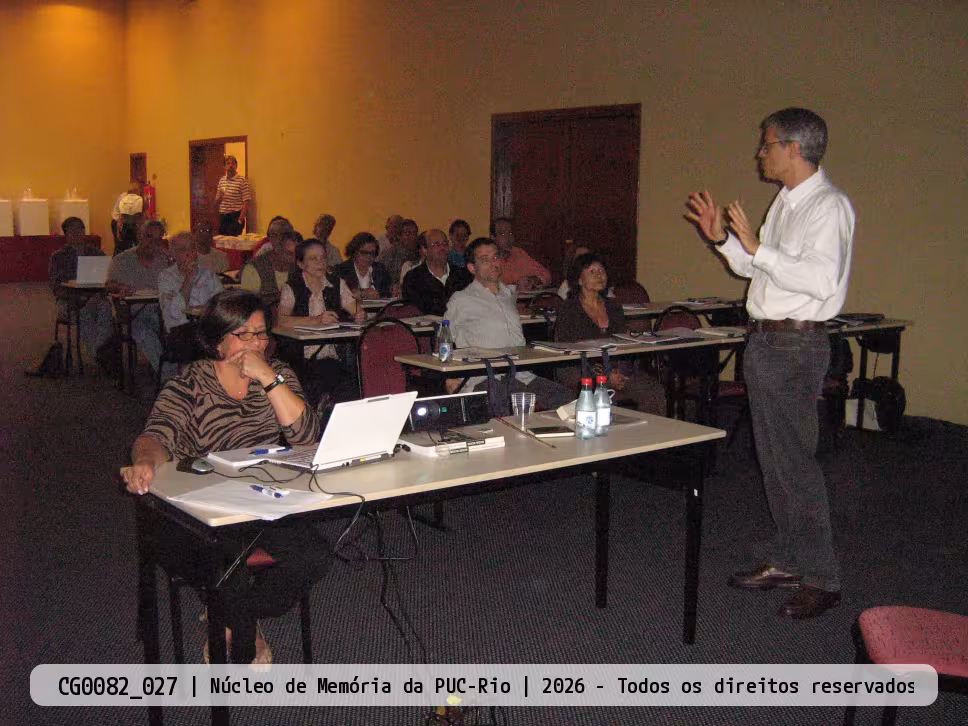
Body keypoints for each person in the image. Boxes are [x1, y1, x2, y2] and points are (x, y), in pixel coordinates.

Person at [685, 107, 854, 619]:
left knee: (794, 463)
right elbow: (758, 269)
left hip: (794, 345)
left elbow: (820, 280)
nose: (760, 153)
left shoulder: (828, 206)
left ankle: (822, 577)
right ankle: (788, 557)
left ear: (793, 149)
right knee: (774, 460)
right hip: (768, 341)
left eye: (767, 144)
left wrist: (759, 248)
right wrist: (723, 240)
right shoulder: (786, 201)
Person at [122, 290, 329, 664]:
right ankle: (241, 630)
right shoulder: (190, 383)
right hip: (207, 505)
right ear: (218, 341)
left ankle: (232, 612)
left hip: (264, 498)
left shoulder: (278, 374)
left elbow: (308, 438)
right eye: (243, 334)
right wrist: (145, 462)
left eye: (261, 333)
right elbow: (154, 437)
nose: (255, 343)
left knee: (314, 557)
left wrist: (268, 378)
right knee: (228, 563)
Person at [444, 237, 572, 414]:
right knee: (502, 404)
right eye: (485, 259)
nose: (494, 263)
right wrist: (451, 377)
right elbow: (444, 339)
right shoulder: (461, 299)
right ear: (472, 268)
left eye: (496, 257)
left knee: (568, 400)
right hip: (485, 377)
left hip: (520, 375)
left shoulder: (508, 294)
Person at [554, 253, 665, 413]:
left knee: (653, 391)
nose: (599, 275)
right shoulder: (569, 309)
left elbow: (623, 343)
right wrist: (605, 374)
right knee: (588, 384)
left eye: (601, 271)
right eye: (592, 272)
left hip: (615, 365)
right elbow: (571, 350)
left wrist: (619, 371)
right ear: (579, 279)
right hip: (581, 367)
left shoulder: (613, 307)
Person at [277, 238, 364, 409]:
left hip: (334, 357)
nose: (320, 262)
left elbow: (355, 308)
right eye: (313, 258)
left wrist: (360, 314)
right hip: (300, 358)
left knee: (352, 382)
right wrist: (315, 320)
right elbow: (281, 320)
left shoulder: (336, 283)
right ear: (300, 264)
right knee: (318, 381)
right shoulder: (291, 287)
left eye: (323, 257)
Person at [48, 217, 114, 367]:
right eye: (72, 231)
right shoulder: (58, 257)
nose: (77, 233)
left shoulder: (97, 254)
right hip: (70, 301)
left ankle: (98, 352)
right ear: (66, 235)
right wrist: (80, 298)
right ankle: (99, 356)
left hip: (96, 298)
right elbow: (56, 287)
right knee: (84, 314)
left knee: (106, 309)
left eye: (80, 229)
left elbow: (107, 280)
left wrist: (98, 295)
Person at [106, 219, 170, 374]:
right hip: (132, 314)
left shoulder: (165, 260)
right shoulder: (122, 260)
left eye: (157, 239)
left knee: (181, 329)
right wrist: (120, 287)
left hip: (160, 312)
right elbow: (109, 285)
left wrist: (172, 260)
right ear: (140, 236)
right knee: (144, 332)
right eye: (149, 237)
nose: (152, 243)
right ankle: (168, 376)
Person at [157, 231, 224, 367]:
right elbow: (175, 313)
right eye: (183, 249)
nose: (189, 253)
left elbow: (221, 302)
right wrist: (188, 279)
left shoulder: (208, 274)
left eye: (192, 248)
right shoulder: (166, 277)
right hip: (179, 333)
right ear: (173, 254)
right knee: (201, 341)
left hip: (207, 328)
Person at [401, 228, 472, 316]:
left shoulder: (462, 275)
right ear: (424, 250)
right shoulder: (413, 278)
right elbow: (412, 313)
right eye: (436, 244)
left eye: (445, 243)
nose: (442, 247)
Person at [490, 217, 551, 290]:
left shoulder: (518, 253)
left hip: (525, 297)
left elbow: (546, 275)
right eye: (502, 234)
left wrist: (534, 280)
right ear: (493, 237)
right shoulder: (488, 259)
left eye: (510, 233)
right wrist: (517, 286)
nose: (508, 238)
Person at [240, 228, 298, 304]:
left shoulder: (300, 269)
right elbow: (249, 304)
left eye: (297, 255)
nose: (294, 259)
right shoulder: (253, 269)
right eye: (289, 254)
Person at [335, 232, 392, 300]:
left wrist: (379, 294)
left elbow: (388, 292)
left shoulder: (380, 269)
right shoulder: (341, 270)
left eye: (372, 253)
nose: (369, 257)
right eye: (364, 253)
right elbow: (338, 295)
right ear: (354, 252)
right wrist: (363, 293)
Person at [214, 155, 250, 236]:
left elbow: (246, 201)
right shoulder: (222, 180)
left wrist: (240, 220)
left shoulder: (242, 180)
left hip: (235, 216)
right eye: (228, 163)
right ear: (224, 167)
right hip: (223, 216)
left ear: (236, 166)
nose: (230, 166)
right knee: (222, 241)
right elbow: (216, 201)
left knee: (233, 241)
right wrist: (220, 197)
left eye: (233, 164)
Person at [113, 182, 145, 253]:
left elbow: (121, 218)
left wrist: (118, 232)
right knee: (137, 249)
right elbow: (139, 217)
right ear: (137, 190)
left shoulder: (123, 199)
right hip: (134, 226)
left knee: (123, 249)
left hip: (124, 227)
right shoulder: (139, 200)